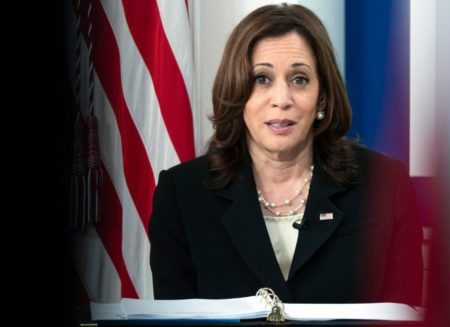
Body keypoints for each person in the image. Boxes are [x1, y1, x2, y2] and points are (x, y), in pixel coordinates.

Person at [149, 3, 423, 305]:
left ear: (322, 98)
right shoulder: (182, 195)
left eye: (300, 79)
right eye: (261, 79)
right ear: (238, 91)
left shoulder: (386, 186)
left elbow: (403, 311)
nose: (281, 99)